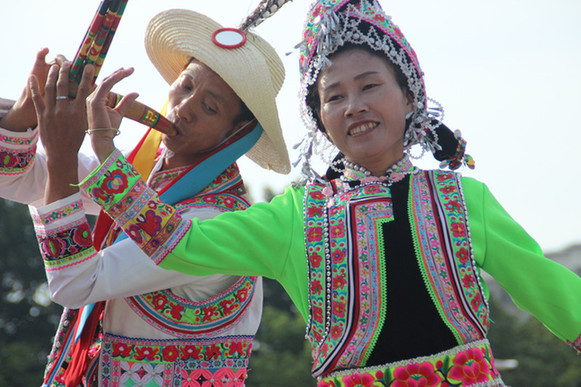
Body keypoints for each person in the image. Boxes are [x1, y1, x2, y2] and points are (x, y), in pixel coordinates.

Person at [34, 0, 581, 386]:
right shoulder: (296, 217)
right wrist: (104, 147)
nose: (353, 106)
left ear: (409, 97)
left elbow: (554, 292)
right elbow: (174, 240)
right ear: (321, 120)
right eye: (334, 96)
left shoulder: (465, 200)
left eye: (370, 87)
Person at [1, 6, 290, 386]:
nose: (183, 109)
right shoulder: (150, 179)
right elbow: (15, 180)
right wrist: (30, 108)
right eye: (185, 85)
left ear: (234, 135)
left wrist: (64, 151)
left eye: (209, 107)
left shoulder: (213, 221)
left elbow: (76, 284)